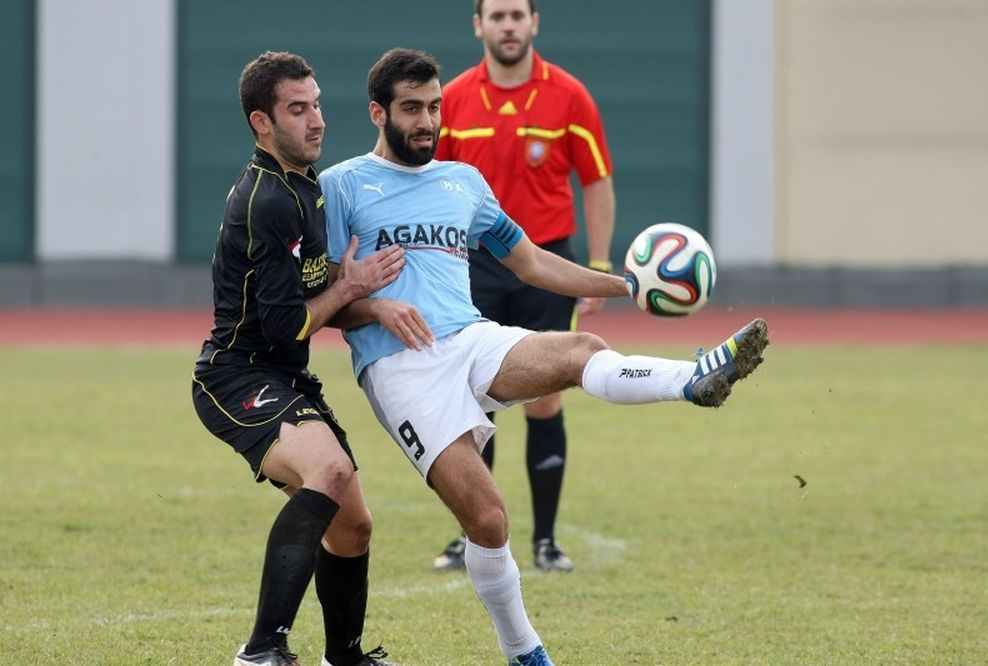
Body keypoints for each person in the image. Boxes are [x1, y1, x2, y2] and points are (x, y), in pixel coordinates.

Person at [317, 47, 769, 666]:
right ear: (379, 113)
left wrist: (623, 285)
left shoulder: (463, 182)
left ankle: (695, 379)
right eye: (412, 109)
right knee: (490, 521)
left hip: (471, 340)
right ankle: (522, 649)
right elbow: (318, 300)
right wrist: (375, 308)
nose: (427, 121)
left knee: (582, 348)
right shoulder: (341, 186)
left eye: (435, 107)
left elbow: (528, 260)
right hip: (400, 367)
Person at [191, 51, 401, 666]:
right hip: (236, 376)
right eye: (297, 109)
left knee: (353, 526)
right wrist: (353, 287)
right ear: (262, 121)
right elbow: (289, 323)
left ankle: (346, 655)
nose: (316, 121)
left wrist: (357, 290)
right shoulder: (268, 199)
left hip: (284, 376)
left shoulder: (304, 185)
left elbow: (311, 287)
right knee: (329, 473)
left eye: (317, 105)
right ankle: (261, 650)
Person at [432, 0, 616, 573]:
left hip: (548, 264)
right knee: (470, 403)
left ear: (534, 23)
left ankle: (546, 541)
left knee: (545, 397)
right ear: (478, 26)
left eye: (518, 14)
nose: (508, 24)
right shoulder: (455, 99)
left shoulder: (569, 95)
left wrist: (599, 265)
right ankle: (472, 535)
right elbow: (430, 188)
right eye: (497, 15)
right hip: (475, 265)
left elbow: (597, 181)